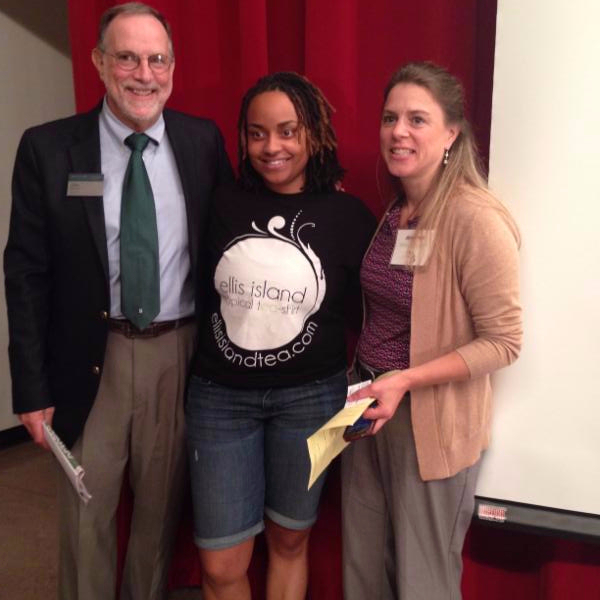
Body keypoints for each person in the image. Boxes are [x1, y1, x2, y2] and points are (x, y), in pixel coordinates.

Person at [3, 3, 232, 599]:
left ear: (173, 67)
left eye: (157, 59)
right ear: (100, 62)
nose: (143, 73)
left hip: (178, 355)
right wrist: (30, 388)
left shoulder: (201, 141)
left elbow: (230, 241)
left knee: (159, 517)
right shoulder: (48, 149)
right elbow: (25, 273)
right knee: (86, 518)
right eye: (127, 57)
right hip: (88, 359)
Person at [185, 71, 376, 600]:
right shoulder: (220, 204)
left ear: (313, 135)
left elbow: (380, 309)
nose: (272, 147)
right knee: (222, 565)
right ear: (243, 139)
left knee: (291, 542)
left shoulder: (349, 216)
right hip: (218, 400)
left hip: (313, 399)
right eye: (257, 133)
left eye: (288, 131)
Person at [341, 61, 523, 600]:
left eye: (417, 119)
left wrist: (406, 380)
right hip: (370, 411)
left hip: (430, 423)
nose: (399, 131)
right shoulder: (398, 210)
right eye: (390, 117)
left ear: (451, 134)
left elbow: (505, 341)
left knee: (423, 583)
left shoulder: (476, 218)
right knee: (363, 573)